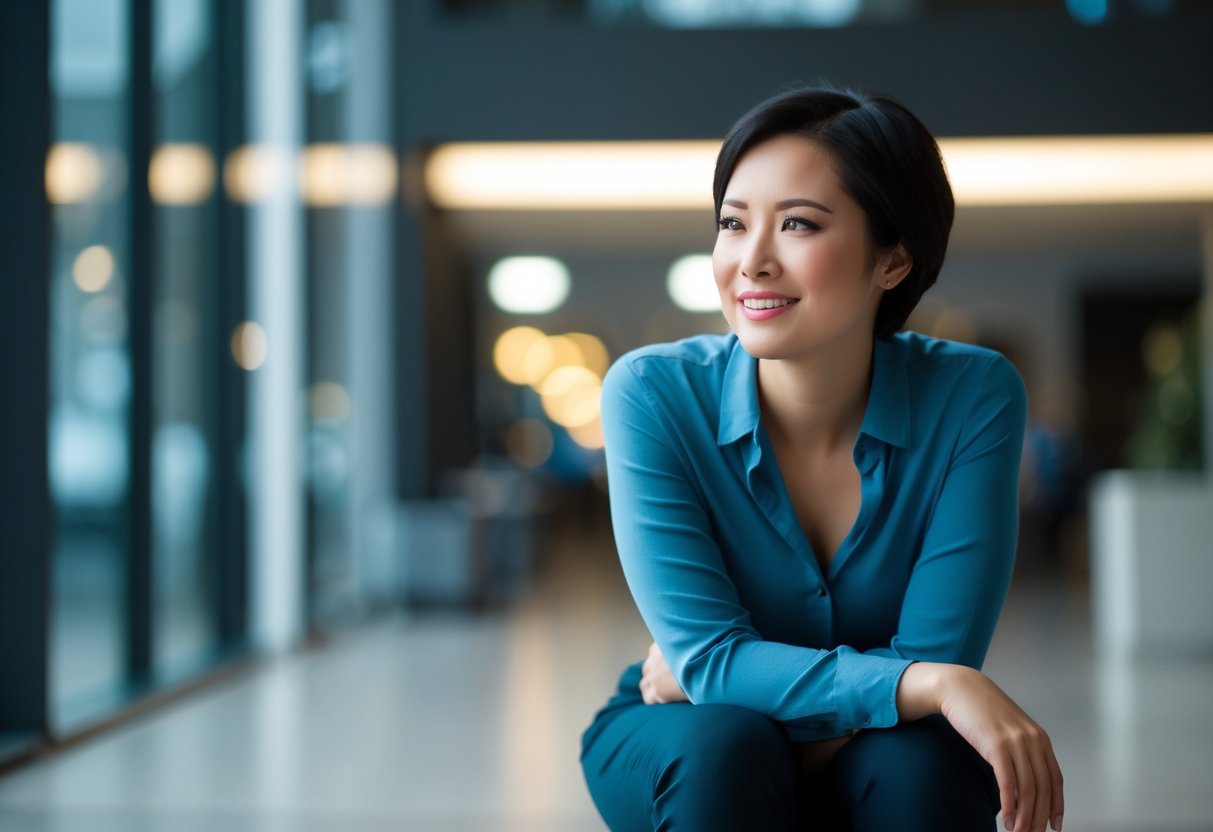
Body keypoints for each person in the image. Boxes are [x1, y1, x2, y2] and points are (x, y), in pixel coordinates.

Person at [579, 85, 1065, 832]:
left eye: (798, 224)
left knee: (923, 766)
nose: (751, 261)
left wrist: (731, 680)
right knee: (727, 750)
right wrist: (925, 686)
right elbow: (722, 662)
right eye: (733, 224)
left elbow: (932, 650)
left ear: (893, 259)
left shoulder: (974, 396)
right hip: (685, 738)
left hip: (869, 746)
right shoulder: (650, 394)